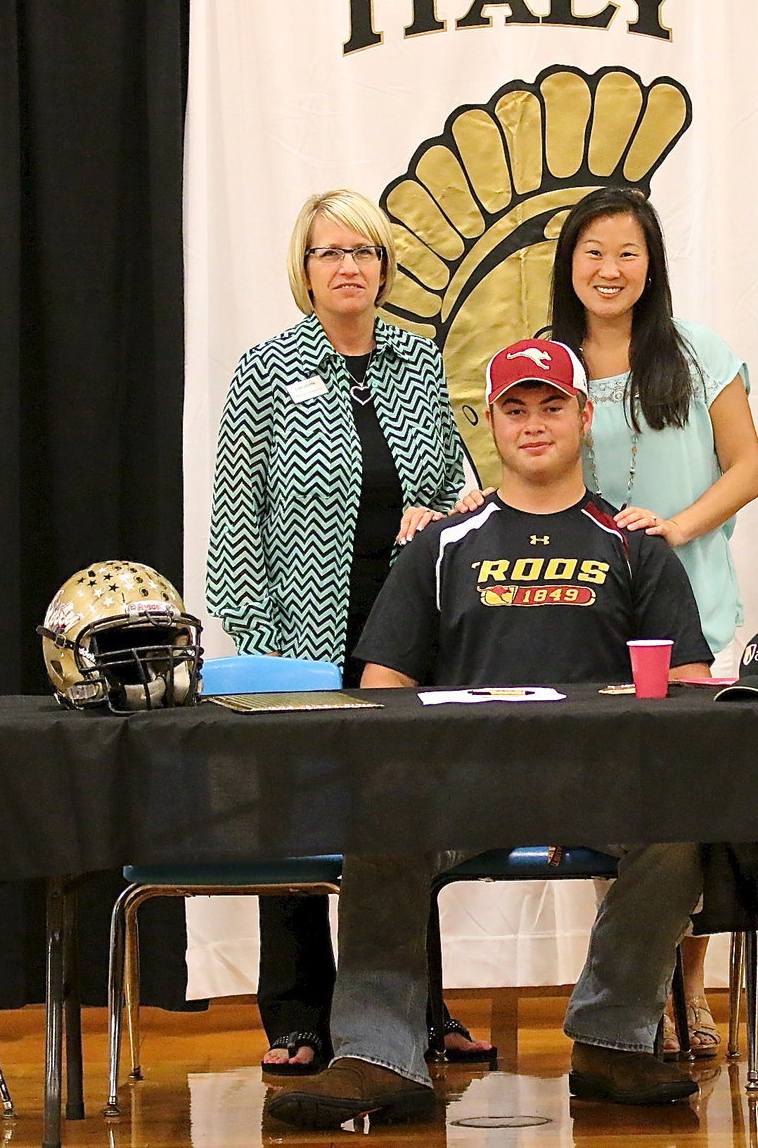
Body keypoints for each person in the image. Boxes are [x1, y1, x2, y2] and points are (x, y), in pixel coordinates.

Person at [266, 339, 714, 1130]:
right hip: (462, 787)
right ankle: (376, 1053)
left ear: (583, 416)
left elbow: (687, 687)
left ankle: (611, 1041)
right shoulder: (441, 545)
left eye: (551, 407)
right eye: (515, 408)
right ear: (492, 424)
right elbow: (383, 692)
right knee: (380, 814)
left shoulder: (636, 545)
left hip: (601, 785)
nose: (533, 424)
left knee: (681, 823)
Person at [206, 188, 490, 1073]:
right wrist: (265, 649)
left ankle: (418, 1008)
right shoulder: (265, 370)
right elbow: (234, 528)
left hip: (404, 643)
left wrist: (436, 514)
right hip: (294, 641)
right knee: (294, 827)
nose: (349, 267)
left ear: (384, 266)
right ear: (305, 268)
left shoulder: (416, 361)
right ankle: (297, 1017)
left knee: (405, 824)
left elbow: (461, 493)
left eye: (364, 252)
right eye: (331, 253)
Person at [553, 185, 758, 1056]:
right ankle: (633, 990)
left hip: (699, 620)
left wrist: (676, 528)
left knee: (695, 806)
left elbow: (747, 467)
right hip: (591, 630)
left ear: (653, 265)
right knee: (616, 815)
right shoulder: (548, 362)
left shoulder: (699, 351)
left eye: (628, 252)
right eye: (594, 251)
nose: (611, 269)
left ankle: (692, 984)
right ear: (570, 263)